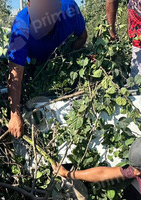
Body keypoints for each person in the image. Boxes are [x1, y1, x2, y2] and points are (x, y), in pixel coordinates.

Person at [7, 0, 88, 138]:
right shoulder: (21, 28)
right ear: (29, 5)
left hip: (61, 65)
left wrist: (67, 61)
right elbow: (15, 75)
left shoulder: (69, 9)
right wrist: (14, 114)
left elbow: (82, 37)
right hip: (33, 69)